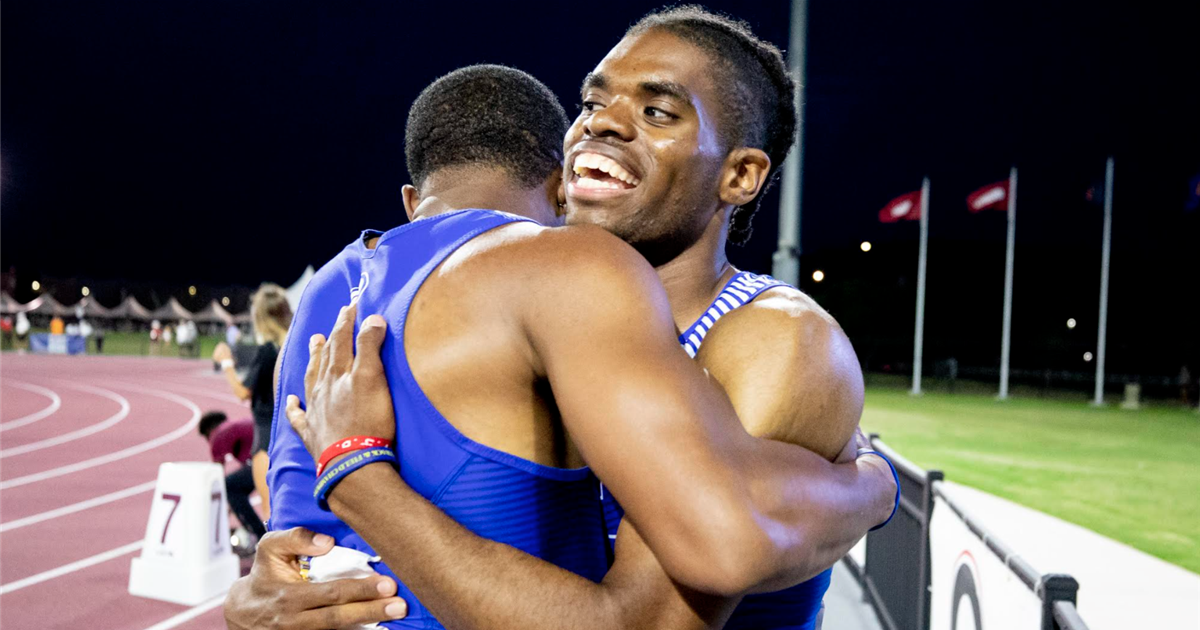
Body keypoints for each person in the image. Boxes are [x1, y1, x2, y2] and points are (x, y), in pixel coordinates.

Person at [227, 48, 895, 630]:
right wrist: (255, 597)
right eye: (591, 102)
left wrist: (873, 492)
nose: (601, 122)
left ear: (740, 175)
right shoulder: (545, 316)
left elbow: (683, 586)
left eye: (659, 112)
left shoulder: (773, 340)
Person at [212, 283, 292, 524]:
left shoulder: (268, 351)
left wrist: (226, 363)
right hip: (291, 435)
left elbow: (242, 392)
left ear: (260, 317)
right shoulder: (292, 347)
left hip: (267, 440)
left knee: (273, 517)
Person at [198, 411, 266, 541]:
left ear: (208, 431)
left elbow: (216, 474)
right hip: (266, 457)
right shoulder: (235, 425)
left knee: (229, 485)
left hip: (261, 461)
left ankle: (259, 535)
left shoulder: (217, 434)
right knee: (236, 488)